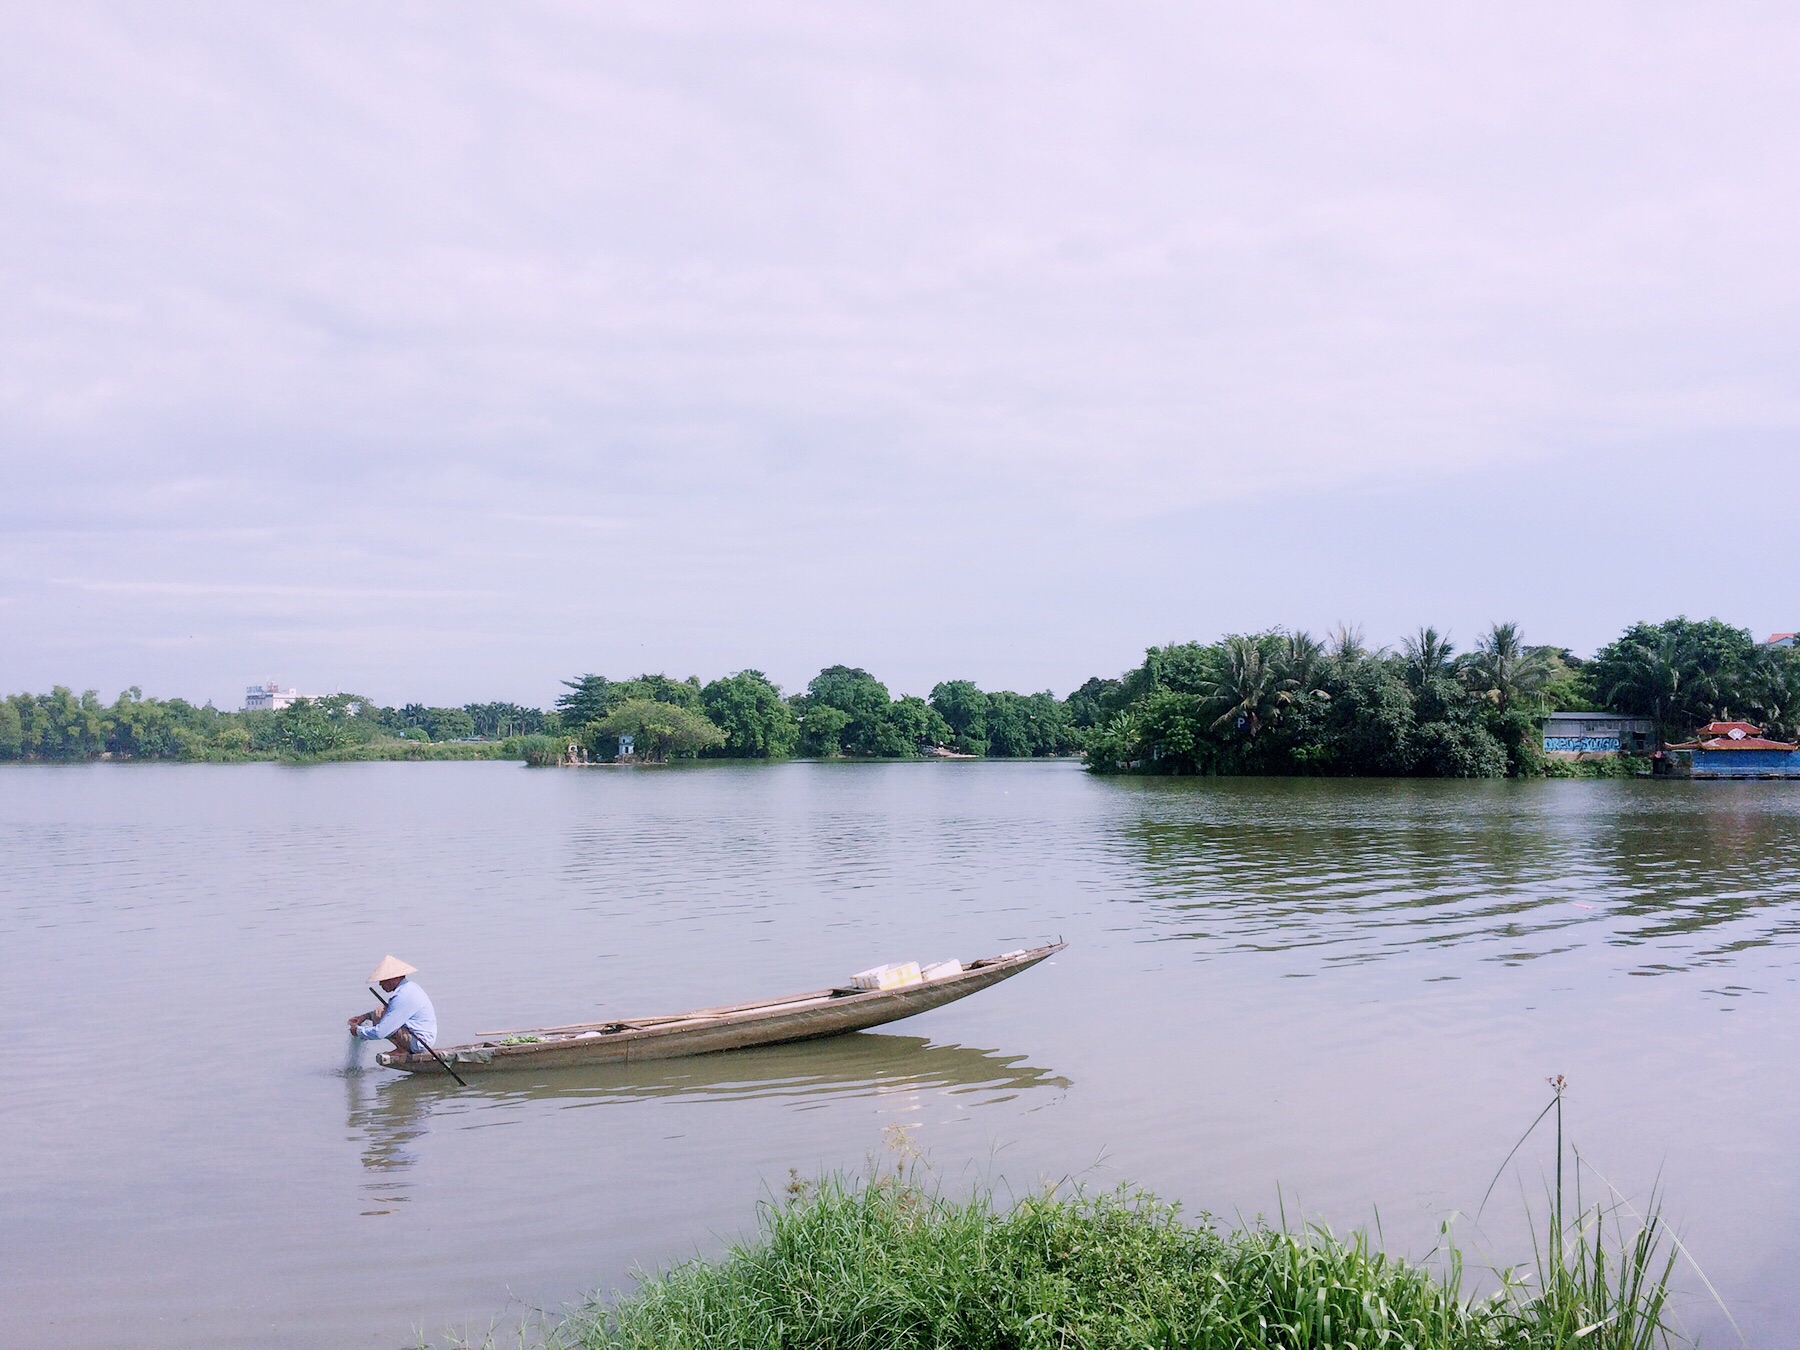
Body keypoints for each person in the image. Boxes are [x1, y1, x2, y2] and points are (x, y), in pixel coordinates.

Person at [348, 955, 439, 1055]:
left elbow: (380, 1033)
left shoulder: (402, 996)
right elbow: (388, 1011)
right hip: (420, 1037)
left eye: (382, 980)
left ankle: (402, 1049)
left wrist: (358, 1030)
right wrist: (364, 1017)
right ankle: (402, 1048)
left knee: (382, 1021)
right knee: (379, 1011)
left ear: (394, 978)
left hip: (419, 1042)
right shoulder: (409, 987)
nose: (380, 984)